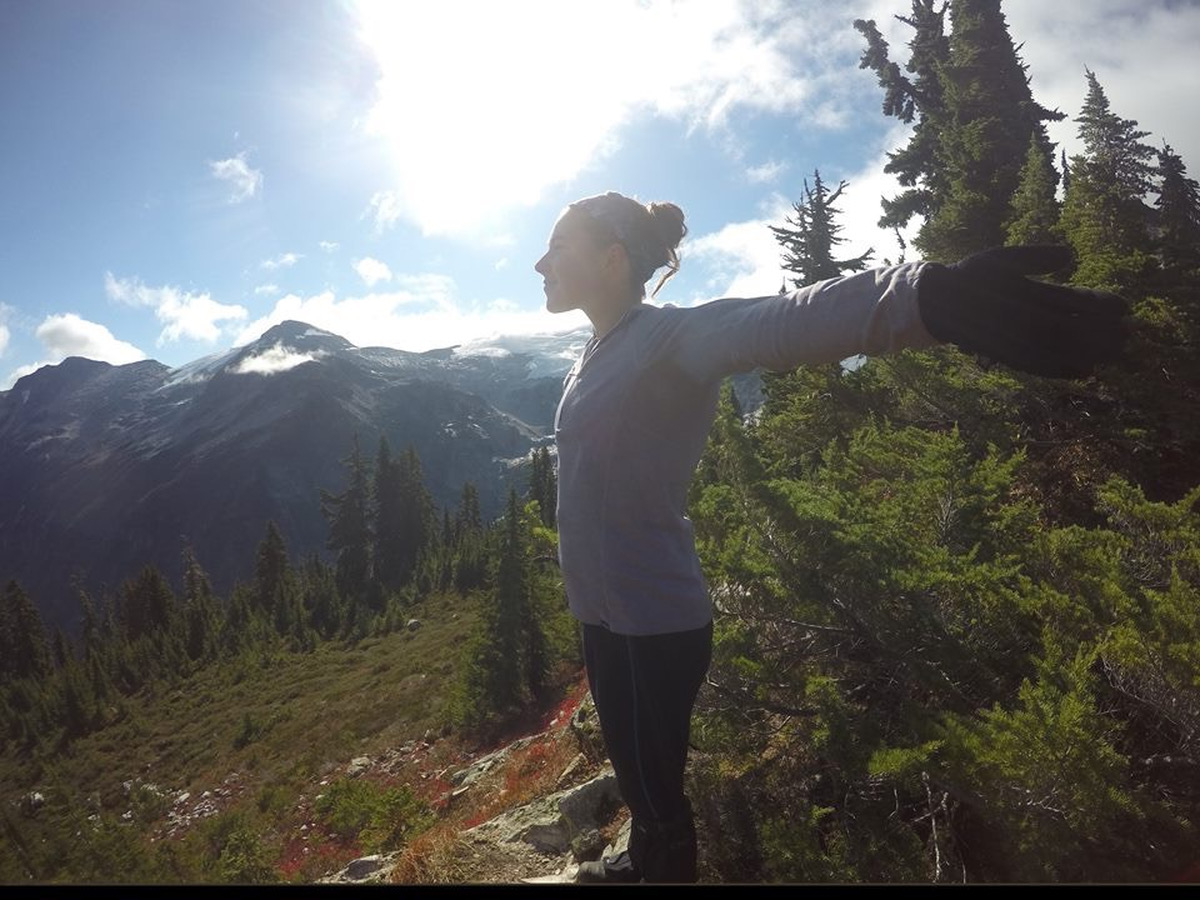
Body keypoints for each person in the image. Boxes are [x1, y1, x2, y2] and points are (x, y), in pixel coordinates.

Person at [534, 191, 1128, 883]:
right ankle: (644, 860)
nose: (541, 261)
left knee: (656, 789)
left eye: (559, 246)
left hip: (652, 619)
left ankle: (660, 870)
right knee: (638, 773)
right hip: (602, 614)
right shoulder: (596, 350)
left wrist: (930, 296)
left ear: (611, 260)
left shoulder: (669, 338)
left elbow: (785, 320)